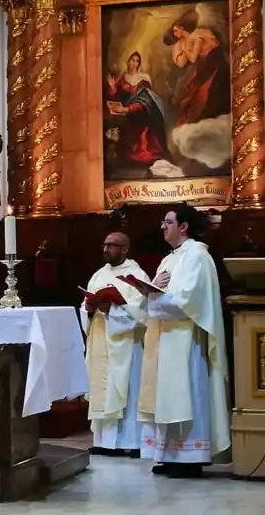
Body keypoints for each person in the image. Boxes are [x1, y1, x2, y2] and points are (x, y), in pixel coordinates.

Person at [134, 204, 230, 478]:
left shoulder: (197, 256)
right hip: (166, 338)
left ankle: (191, 457)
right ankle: (169, 455)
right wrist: (148, 290)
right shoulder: (170, 259)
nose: (162, 226)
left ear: (183, 226)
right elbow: (157, 296)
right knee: (166, 397)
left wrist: (153, 294)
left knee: (187, 394)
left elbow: (188, 300)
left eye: (168, 222)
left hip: (187, 342)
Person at [79, 232, 148, 458]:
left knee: (127, 391)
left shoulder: (136, 276)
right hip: (100, 340)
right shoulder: (98, 275)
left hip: (125, 343)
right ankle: (104, 442)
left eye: (112, 245)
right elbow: (85, 306)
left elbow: (141, 313)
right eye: (105, 244)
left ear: (124, 249)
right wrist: (89, 310)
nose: (106, 249)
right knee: (101, 388)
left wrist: (112, 310)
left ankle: (132, 442)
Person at [105, 51, 171, 171]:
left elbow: (145, 100)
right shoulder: (122, 77)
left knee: (141, 119)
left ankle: (141, 149)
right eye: (132, 60)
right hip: (125, 111)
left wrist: (127, 109)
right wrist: (113, 87)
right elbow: (115, 96)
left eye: (137, 61)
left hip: (140, 111)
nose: (134, 63)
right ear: (127, 61)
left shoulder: (143, 78)